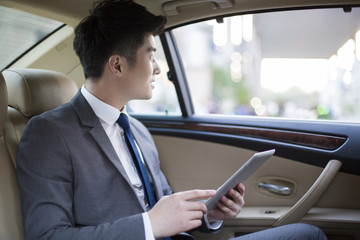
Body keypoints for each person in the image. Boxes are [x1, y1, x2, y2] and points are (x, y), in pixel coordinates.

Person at [15, 0, 327, 239]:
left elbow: (163, 208)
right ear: (118, 66)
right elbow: (48, 236)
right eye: (151, 54)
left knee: (307, 233)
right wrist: (148, 225)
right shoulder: (49, 134)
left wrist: (209, 214)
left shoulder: (136, 129)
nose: (158, 68)